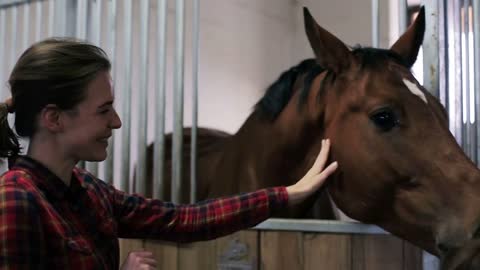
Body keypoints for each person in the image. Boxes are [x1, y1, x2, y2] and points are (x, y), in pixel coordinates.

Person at [0, 38, 338, 270]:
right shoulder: (16, 200)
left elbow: (185, 219)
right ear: (54, 118)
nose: (116, 122)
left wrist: (287, 195)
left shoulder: (88, 190)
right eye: (103, 110)